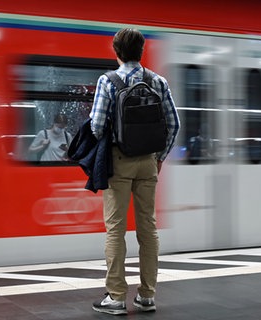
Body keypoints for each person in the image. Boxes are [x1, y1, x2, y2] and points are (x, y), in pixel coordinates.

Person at [90, 28, 180, 315]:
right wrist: (160, 157)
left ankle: (116, 297)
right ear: (142, 51)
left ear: (116, 51)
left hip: (119, 161)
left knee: (115, 229)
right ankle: (147, 295)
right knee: (148, 228)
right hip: (148, 163)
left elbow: (96, 126)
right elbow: (173, 124)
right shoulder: (158, 82)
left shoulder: (108, 81)